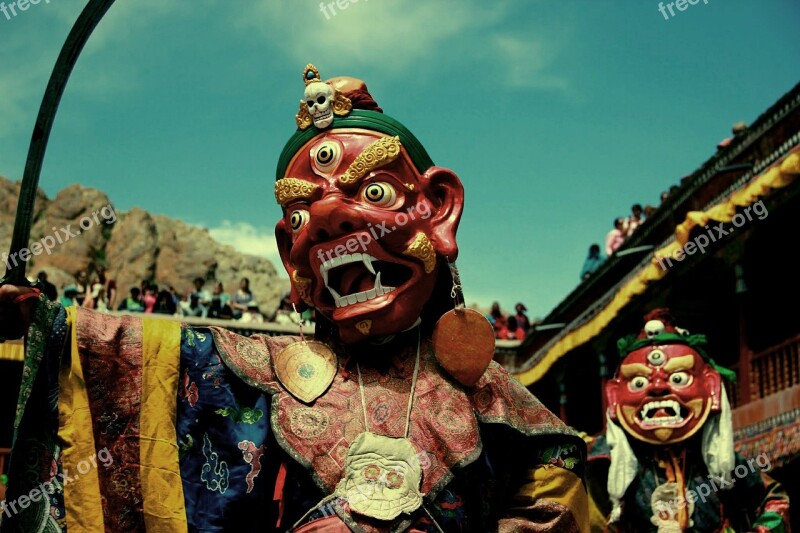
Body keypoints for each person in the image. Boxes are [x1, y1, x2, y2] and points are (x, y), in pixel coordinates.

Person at [0, 65, 588, 532]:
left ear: (438, 208)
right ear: (290, 252)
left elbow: (552, 499)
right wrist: (43, 323)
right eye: (301, 213)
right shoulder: (261, 377)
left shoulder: (493, 401)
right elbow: (142, 355)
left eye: (374, 190)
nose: (327, 220)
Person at [585, 309, 790, 531]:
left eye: (678, 378)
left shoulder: (720, 462)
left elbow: (774, 499)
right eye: (639, 383)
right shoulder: (606, 462)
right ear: (614, 397)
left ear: (711, 387)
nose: (658, 388)